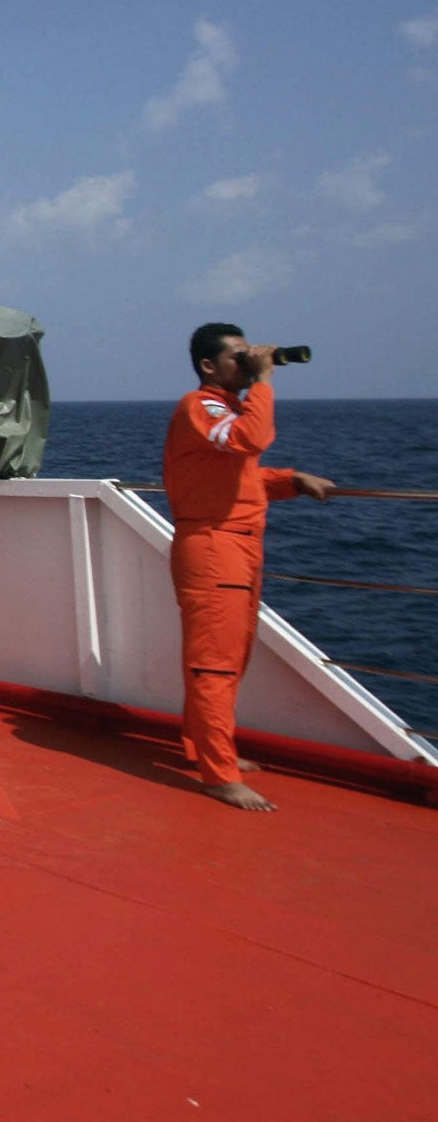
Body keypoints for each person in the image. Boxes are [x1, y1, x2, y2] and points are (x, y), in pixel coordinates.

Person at [164, 324, 334, 812]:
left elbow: (238, 474)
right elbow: (251, 439)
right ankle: (221, 775)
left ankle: (206, 749)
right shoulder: (202, 407)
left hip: (237, 546)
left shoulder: (224, 412)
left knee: (229, 657)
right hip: (215, 547)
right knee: (213, 663)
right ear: (208, 367)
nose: (250, 360)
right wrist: (264, 382)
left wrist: (290, 480)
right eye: (239, 356)